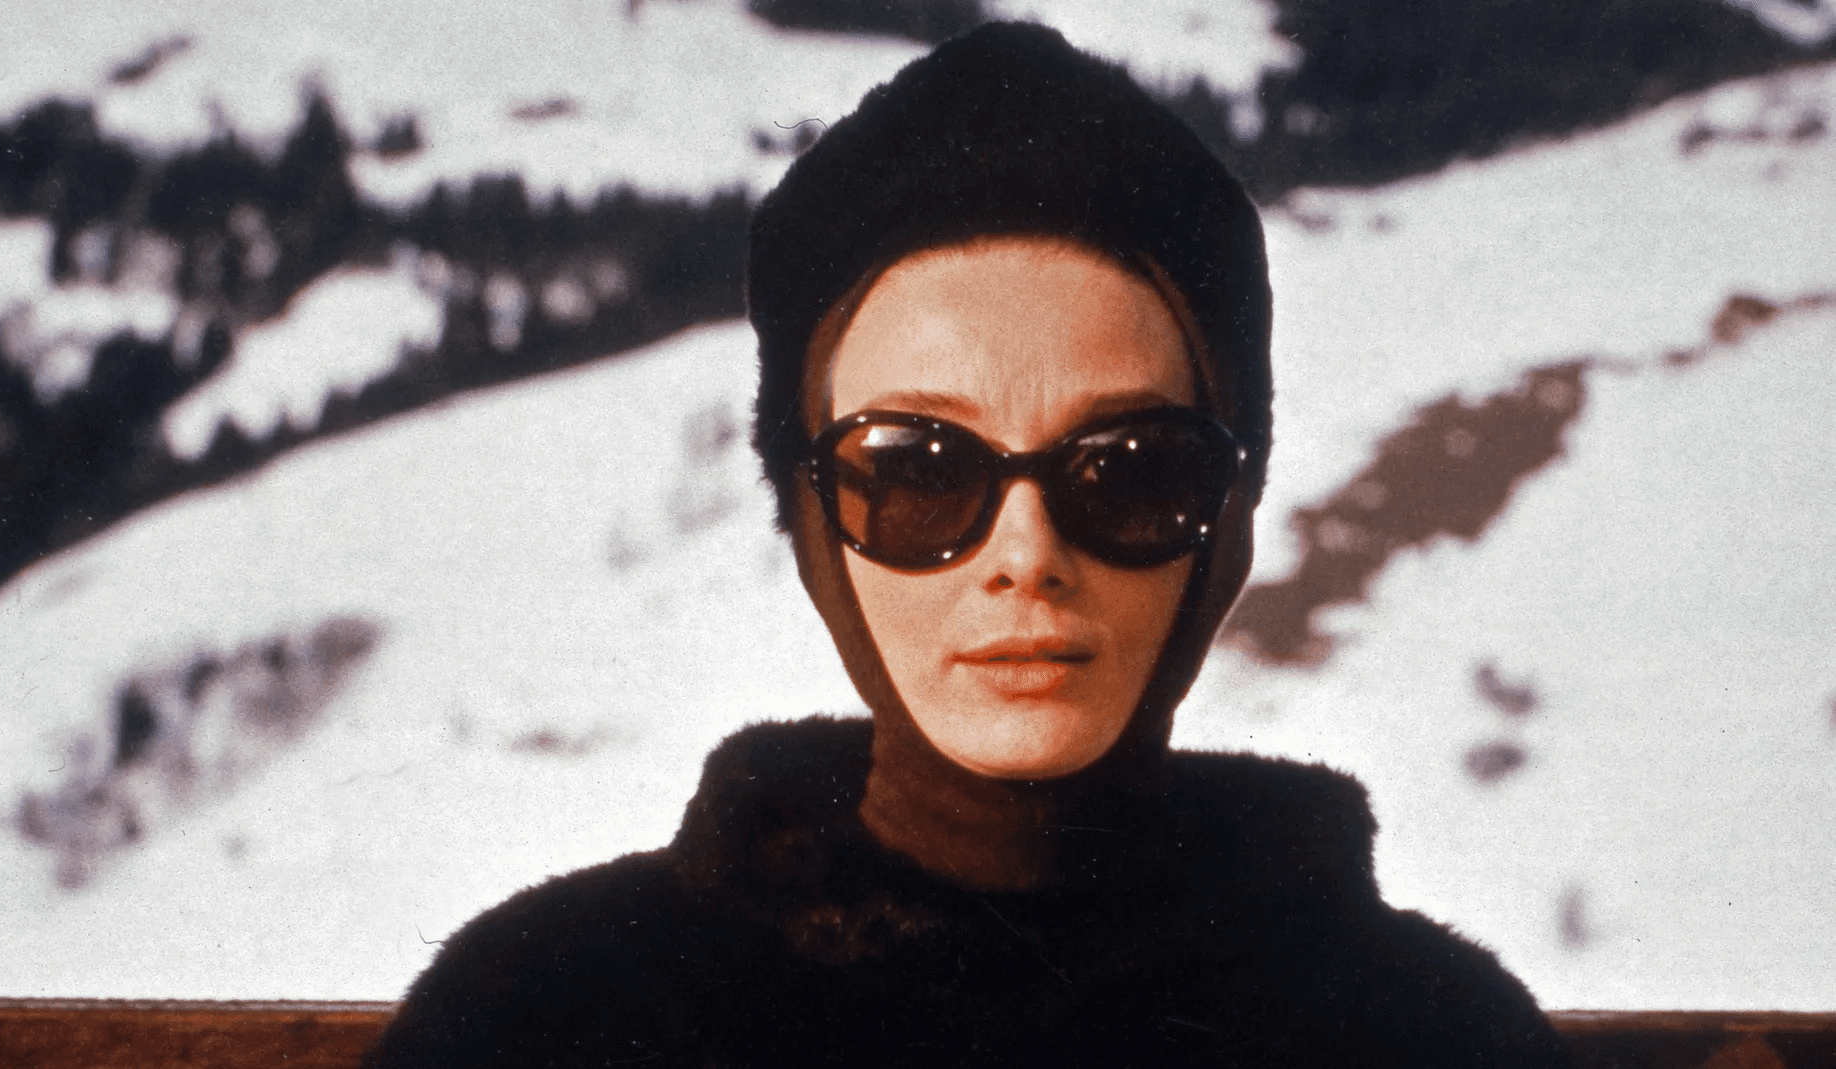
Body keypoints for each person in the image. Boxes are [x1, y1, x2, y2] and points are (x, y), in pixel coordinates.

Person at [365, 22, 1572, 1068]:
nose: (1026, 552)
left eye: (1130, 469)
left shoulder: (1430, 1038)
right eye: (919, 471)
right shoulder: (541, 1017)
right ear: (810, 520)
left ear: (1231, 516)